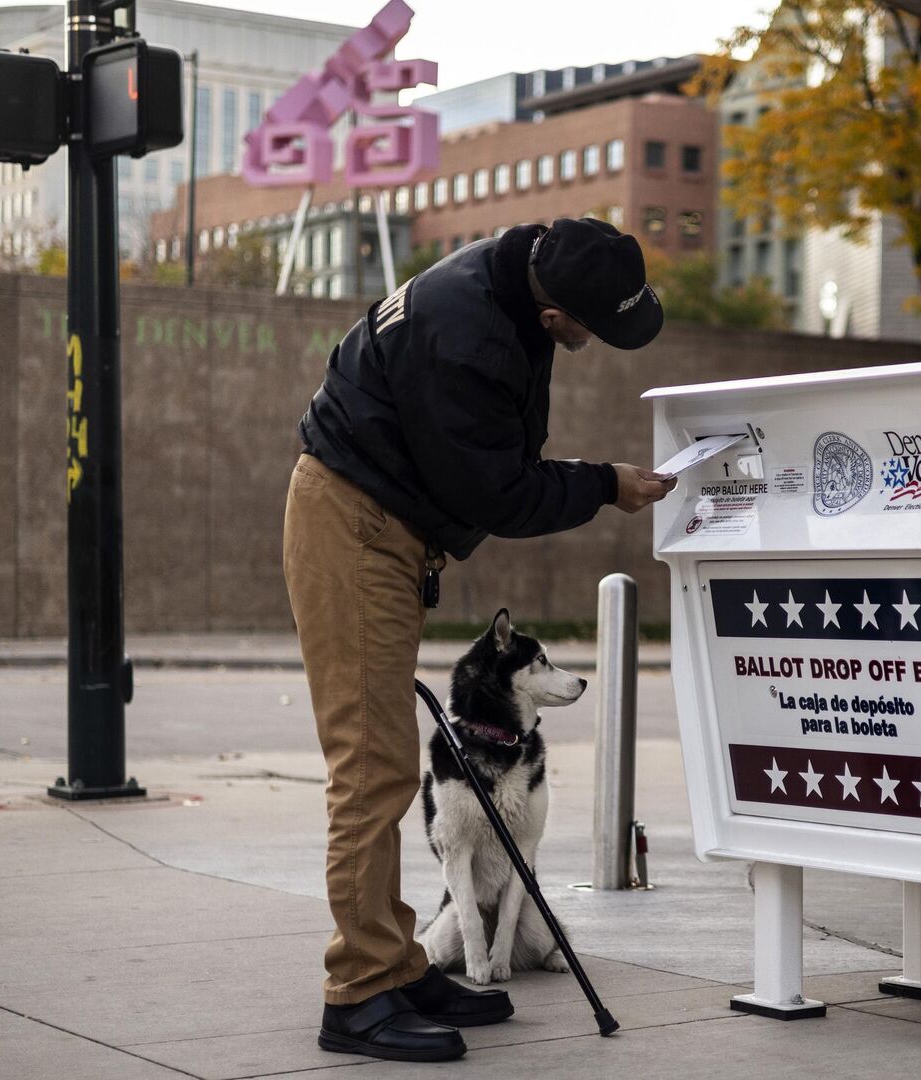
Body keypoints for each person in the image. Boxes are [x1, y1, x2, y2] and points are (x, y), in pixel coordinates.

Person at [282, 217, 675, 1063]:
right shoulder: (466, 338)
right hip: (355, 527)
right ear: (551, 317)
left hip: (382, 524)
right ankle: (358, 992)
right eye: (592, 330)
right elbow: (500, 492)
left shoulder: (511, 274)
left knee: (382, 759)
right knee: (372, 767)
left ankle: (397, 962)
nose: (594, 343)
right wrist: (606, 486)